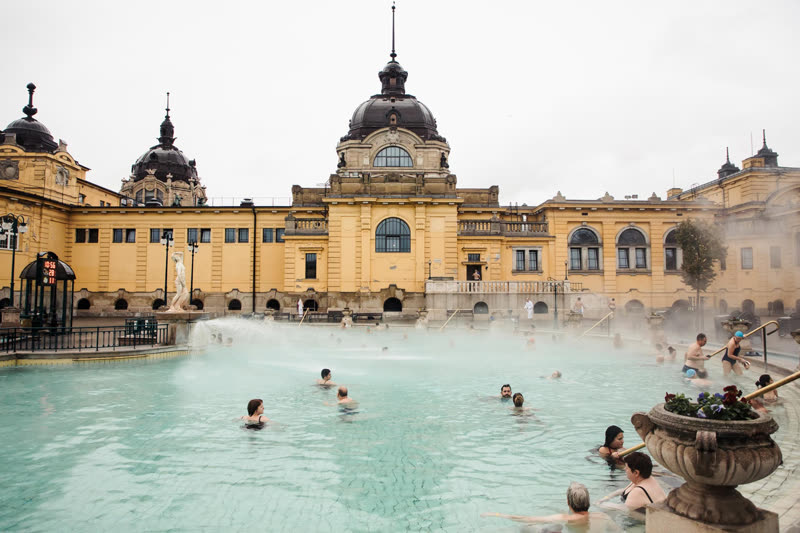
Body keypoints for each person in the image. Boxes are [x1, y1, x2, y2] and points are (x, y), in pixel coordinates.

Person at [482, 482, 617, 529]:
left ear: (568, 502)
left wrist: (497, 514)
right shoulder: (603, 517)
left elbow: (527, 519)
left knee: (529, 528)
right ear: (588, 501)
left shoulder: (566, 518)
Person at [598, 452, 666, 512]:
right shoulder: (647, 479)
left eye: (627, 468)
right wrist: (606, 498)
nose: (625, 469)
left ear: (636, 473)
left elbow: (625, 510)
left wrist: (600, 505)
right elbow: (623, 491)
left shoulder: (637, 493)